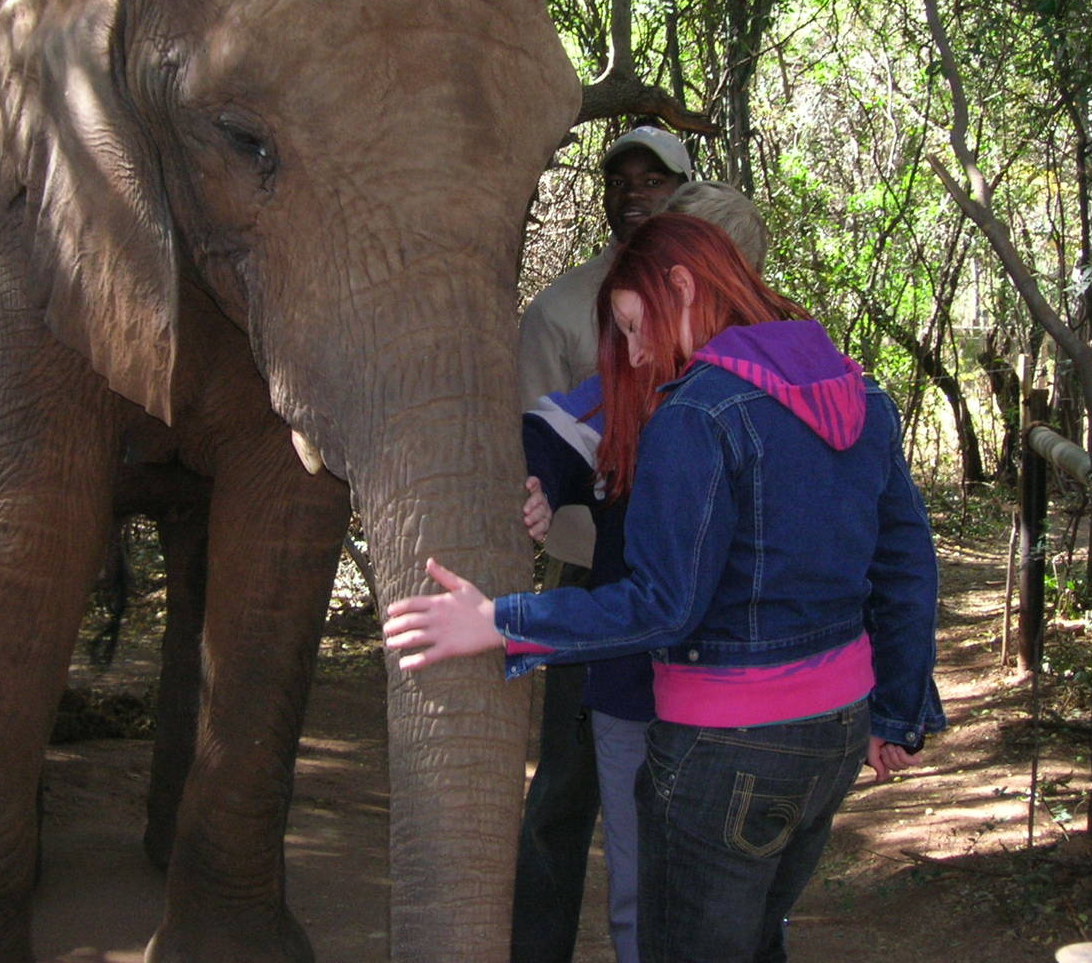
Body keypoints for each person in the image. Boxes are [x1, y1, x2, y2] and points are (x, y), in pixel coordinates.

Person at [387, 212, 946, 963]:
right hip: (836, 733)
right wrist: (899, 709)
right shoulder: (859, 394)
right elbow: (906, 566)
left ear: (682, 285)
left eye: (632, 322)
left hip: (727, 746)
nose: (637, 349)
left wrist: (501, 621)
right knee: (754, 943)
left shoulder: (697, 413)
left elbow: (663, 605)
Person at [523, 177, 769, 963]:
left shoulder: (775, 386)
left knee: (736, 892)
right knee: (638, 883)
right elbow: (559, 428)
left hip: (739, 690)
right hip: (633, 681)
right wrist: (539, 482)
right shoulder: (628, 376)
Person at [511, 126, 691, 963]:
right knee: (568, 785)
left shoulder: (710, 289)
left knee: (680, 778)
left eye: (654, 179)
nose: (633, 192)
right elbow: (543, 438)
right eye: (619, 179)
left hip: (694, 578)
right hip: (590, 573)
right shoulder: (558, 308)